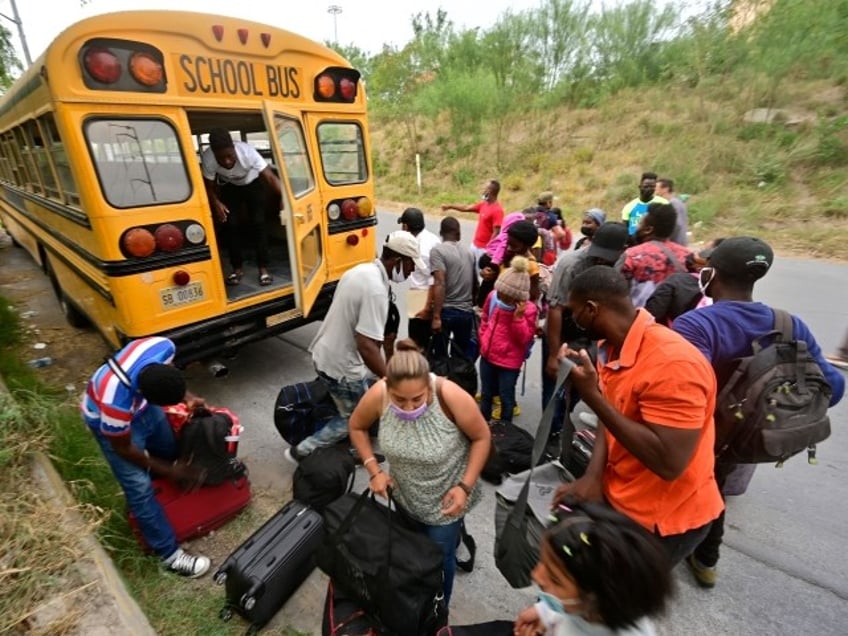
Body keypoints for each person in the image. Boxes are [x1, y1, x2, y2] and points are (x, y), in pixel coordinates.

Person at [671, 237, 845, 588]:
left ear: (711, 274)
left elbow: (683, 395)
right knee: (716, 484)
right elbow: (834, 388)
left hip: (708, 435)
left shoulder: (697, 325)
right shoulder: (789, 323)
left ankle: (693, 554)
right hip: (757, 432)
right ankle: (704, 560)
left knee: (700, 488)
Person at [553, 266, 724, 565]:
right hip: (624, 498)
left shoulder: (673, 365)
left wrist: (592, 396)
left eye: (574, 312)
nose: (573, 320)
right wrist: (593, 477)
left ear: (592, 309)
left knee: (616, 603)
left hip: (662, 522)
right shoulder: (613, 347)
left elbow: (668, 462)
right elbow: (614, 418)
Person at [348, 339, 490, 608]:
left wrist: (465, 487)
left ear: (429, 386)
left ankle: (437, 613)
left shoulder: (450, 395)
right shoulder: (379, 393)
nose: (410, 408)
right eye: (400, 400)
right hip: (403, 499)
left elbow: (482, 437)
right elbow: (356, 426)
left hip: (445, 505)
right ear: (387, 386)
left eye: (418, 399)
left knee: (439, 559)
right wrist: (373, 469)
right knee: (409, 556)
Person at [284, 231, 424, 462]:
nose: (411, 272)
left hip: (325, 353)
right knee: (355, 417)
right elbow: (366, 345)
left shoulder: (361, 271)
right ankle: (301, 451)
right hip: (342, 368)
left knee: (357, 404)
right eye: (410, 265)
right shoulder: (376, 290)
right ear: (398, 260)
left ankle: (356, 448)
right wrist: (389, 378)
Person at [81, 337, 211, 578]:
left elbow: (168, 370)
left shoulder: (161, 347)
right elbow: (124, 449)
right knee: (138, 487)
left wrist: (188, 397)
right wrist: (170, 470)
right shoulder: (115, 402)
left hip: (144, 407)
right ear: (143, 394)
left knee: (168, 447)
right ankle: (170, 556)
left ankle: (164, 498)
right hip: (109, 426)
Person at [513, 502, 673, 636]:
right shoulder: (586, 606)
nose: (536, 575)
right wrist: (544, 612)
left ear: (600, 599)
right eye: (542, 561)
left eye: (555, 579)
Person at [543, 223, 628, 433]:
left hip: (592, 337)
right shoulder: (571, 265)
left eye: (607, 258)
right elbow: (555, 310)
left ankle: (563, 421)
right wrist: (554, 355)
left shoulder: (621, 260)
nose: (601, 261)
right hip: (563, 334)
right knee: (554, 393)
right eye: (597, 255)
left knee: (581, 386)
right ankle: (550, 433)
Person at [202, 128, 283, 287]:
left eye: (229, 156)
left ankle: (263, 268)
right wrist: (216, 202)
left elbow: (270, 177)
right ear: (214, 154)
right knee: (230, 225)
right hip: (230, 187)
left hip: (252, 184)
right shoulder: (209, 158)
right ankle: (237, 269)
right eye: (221, 158)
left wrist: (284, 198)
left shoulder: (247, 152)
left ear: (234, 148)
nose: (226, 162)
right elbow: (209, 186)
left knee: (258, 223)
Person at [479, 256, 538, 424]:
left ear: (516, 298)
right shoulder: (493, 297)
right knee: (486, 394)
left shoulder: (529, 310)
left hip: (508, 364)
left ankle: (505, 429)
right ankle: (483, 424)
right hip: (487, 356)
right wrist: (483, 339)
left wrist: (518, 318)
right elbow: (484, 318)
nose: (500, 297)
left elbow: (524, 338)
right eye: (499, 292)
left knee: (506, 398)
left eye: (505, 295)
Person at [616, 202, 693, 307]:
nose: (637, 227)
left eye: (640, 223)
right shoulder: (688, 256)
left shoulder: (632, 256)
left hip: (639, 320)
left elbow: (614, 292)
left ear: (648, 230)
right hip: (675, 322)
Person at [427, 216, 478, 360]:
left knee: (440, 358)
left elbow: (440, 283)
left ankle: (443, 381)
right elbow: (475, 283)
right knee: (460, 358)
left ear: (441, 233)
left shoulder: (438, 251)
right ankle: (457, 382)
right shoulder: (469, 253)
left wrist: (436, 316)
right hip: (466, 313)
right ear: (459, 234)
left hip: (446, 312)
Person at [397, 207, 441, 348]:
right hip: (422, 295)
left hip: (421, 296)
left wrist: (427, 308)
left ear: (405, 226)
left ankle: (418, 368)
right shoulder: (432, 238)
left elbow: (433, 279)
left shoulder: (420, 251)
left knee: (417, 342)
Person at [440, 179, 505, 267]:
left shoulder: (497, 210)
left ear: (489, 191)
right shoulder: (484, 204)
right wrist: (450, 206)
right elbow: (466, 208)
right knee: (469, 269)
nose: (482, 190)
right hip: (474, 245)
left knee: (480, 272)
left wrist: (489, 250)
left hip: (484, 249)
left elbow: (496, 232)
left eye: (484, 188)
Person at [620, 172, 668, 237]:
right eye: (646, 186)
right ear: (640, 187)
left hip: (654, 243)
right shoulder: (629, 207)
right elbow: (624, 229)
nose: (649, 189)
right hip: (634, 244)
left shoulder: (663, 204)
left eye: (652, 187)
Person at [655, 177, 689, 246]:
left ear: (665, 189)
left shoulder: (673, 204)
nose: (654, 190)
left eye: (656, 187)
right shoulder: (677, 202)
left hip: (675, 244)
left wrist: (665, 239)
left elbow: (677, 224)